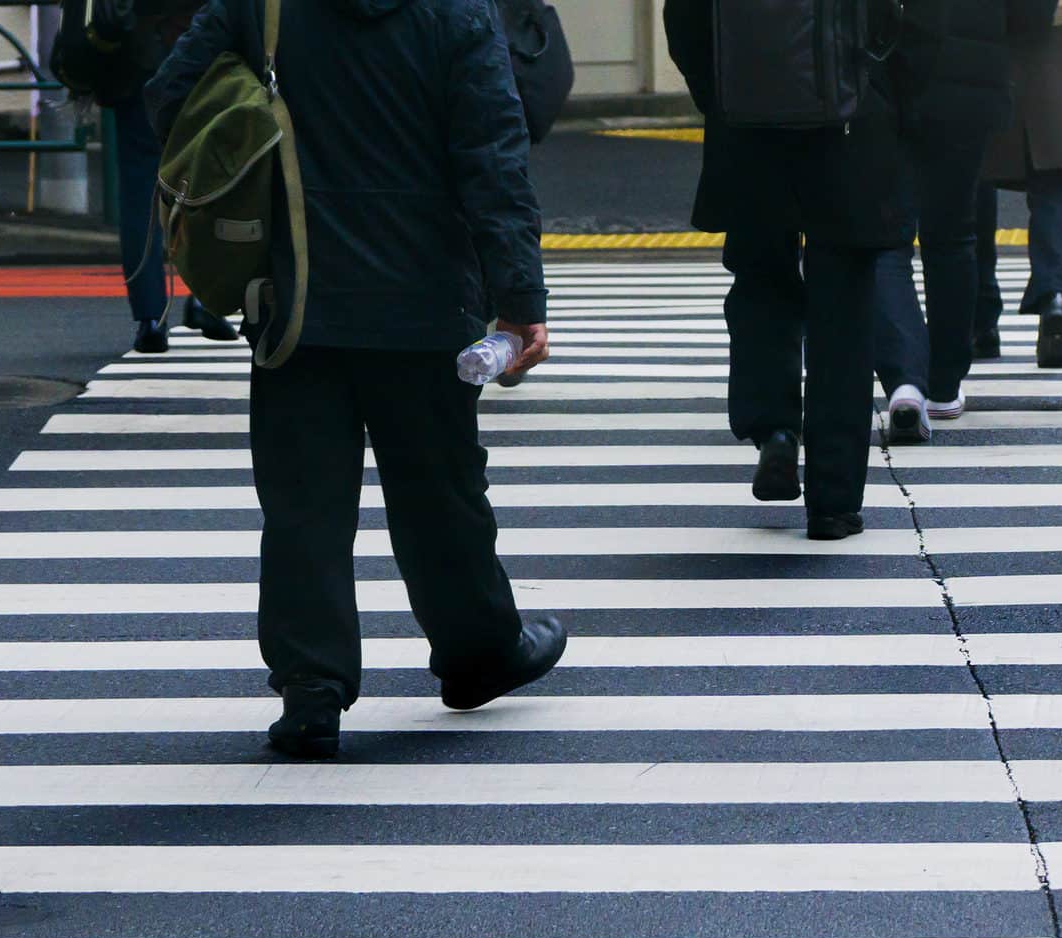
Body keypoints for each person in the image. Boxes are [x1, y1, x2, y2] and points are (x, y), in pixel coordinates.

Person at [148, 0, 565, 759]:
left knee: (304, 501)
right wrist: (519, 301)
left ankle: (312, 688)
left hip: (299, 296)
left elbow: (172, 94)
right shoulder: (459, 12)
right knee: (441, 491)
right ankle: (478, 651)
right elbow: (493, 157)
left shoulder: (263, 5)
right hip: (427, 297)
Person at [665, 0, 915, 540]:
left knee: (760, 279)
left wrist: (722, 99)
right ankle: (834, 501)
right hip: (851, 128)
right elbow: (912, 27)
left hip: (748, 132)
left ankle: (775, 430)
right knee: (844, 311)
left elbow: (683, 22)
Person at [875, 0, 1044, 438]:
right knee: (952, 237)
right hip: (973, 79)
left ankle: (904, 381)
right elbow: (1033, 16)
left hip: (886, 79)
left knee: (887, 240)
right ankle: (945, 386)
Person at [90, 0, 239, 355]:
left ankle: (150, 317)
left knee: (140, 190)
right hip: (200, 52)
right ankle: (206, 299)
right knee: (208, 180)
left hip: (136, 56)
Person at [979, 0, 1062, 370]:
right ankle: (1055, 299)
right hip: (1061, 47)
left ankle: (978, 318)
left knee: (972, 183)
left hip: (985, 53)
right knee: (1056, 184)